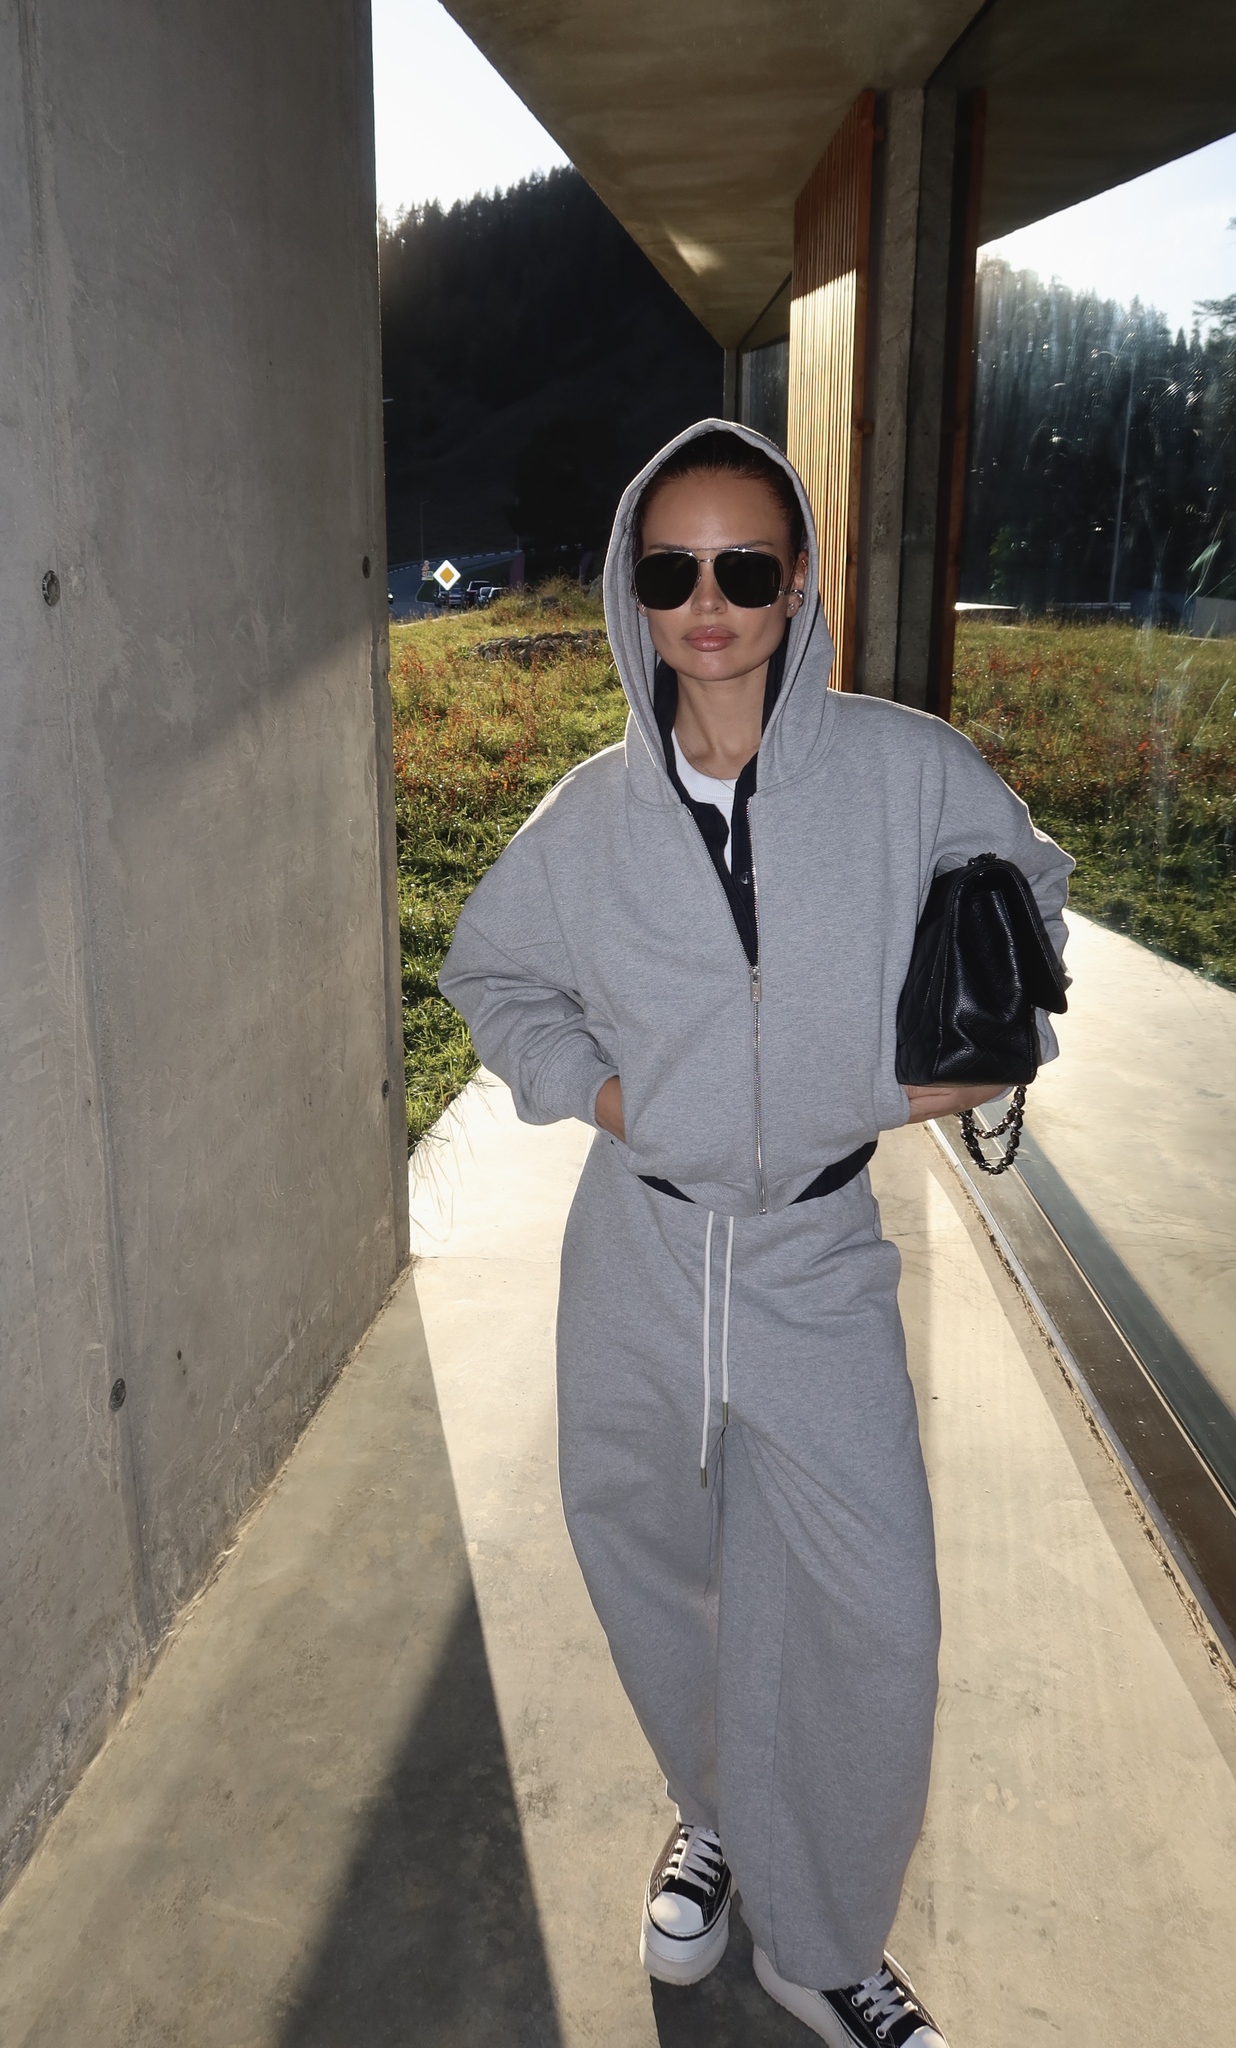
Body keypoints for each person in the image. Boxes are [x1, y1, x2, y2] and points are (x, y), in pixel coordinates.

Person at [439, 422, 1072, 2048]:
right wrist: (606, 1096)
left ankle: (821, 1940)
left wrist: (927, 1073)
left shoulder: (903, 770)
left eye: (741, 567)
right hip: (636, 1259)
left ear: (796, 586)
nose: (705, 602)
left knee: (878, 1617)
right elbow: (488, 975)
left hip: (813, 1256)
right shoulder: (588, 818)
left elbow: (1028, 902)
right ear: (631, 591)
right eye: (671, 570)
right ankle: (717, 1811)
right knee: (654, 1572)